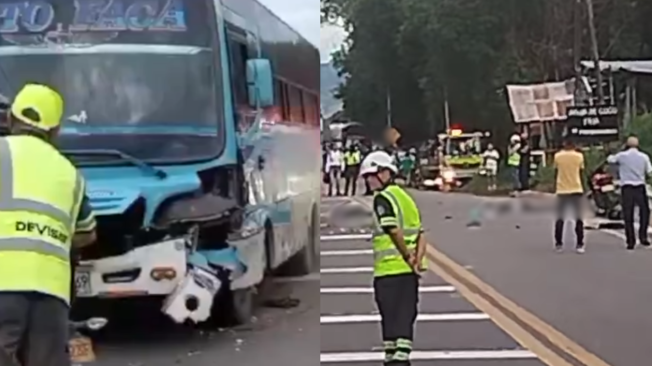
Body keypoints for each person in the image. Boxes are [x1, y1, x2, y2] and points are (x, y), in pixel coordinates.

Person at [0, 83, 97, 366]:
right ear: (55, 131)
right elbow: (87, 234)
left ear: (10, 119)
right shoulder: (70, 173)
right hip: (51, 291)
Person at [359, 150, 427, 366]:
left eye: (370, 176)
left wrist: (407, 256)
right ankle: (398, 359)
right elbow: (421, 234)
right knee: (405, 320)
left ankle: (395, 361)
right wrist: (416, 261)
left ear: (384, 173)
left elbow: (392, 229)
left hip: (389, 272)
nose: (368, 182)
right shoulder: (405, 197)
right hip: (408, 273)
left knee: (391, 321)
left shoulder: (383, 198)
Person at [607, 136, 652, 250]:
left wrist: (618, 150)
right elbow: (649, 172)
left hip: (627, 187)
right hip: (640, 186)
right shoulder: (644, 157)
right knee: (644, 212)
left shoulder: (622, 156)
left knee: (628, 214)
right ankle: (643, 237)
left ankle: (630, 241)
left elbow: (610, 159)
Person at [553, 138, 585, 253]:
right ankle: (580, 244)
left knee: (560, 218)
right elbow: (581, 171)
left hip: (562, 189)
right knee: (578, 218)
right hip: (576, 188)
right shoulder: (579, 156)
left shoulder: (558, 156)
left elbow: (556, 171)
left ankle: (558, 243)